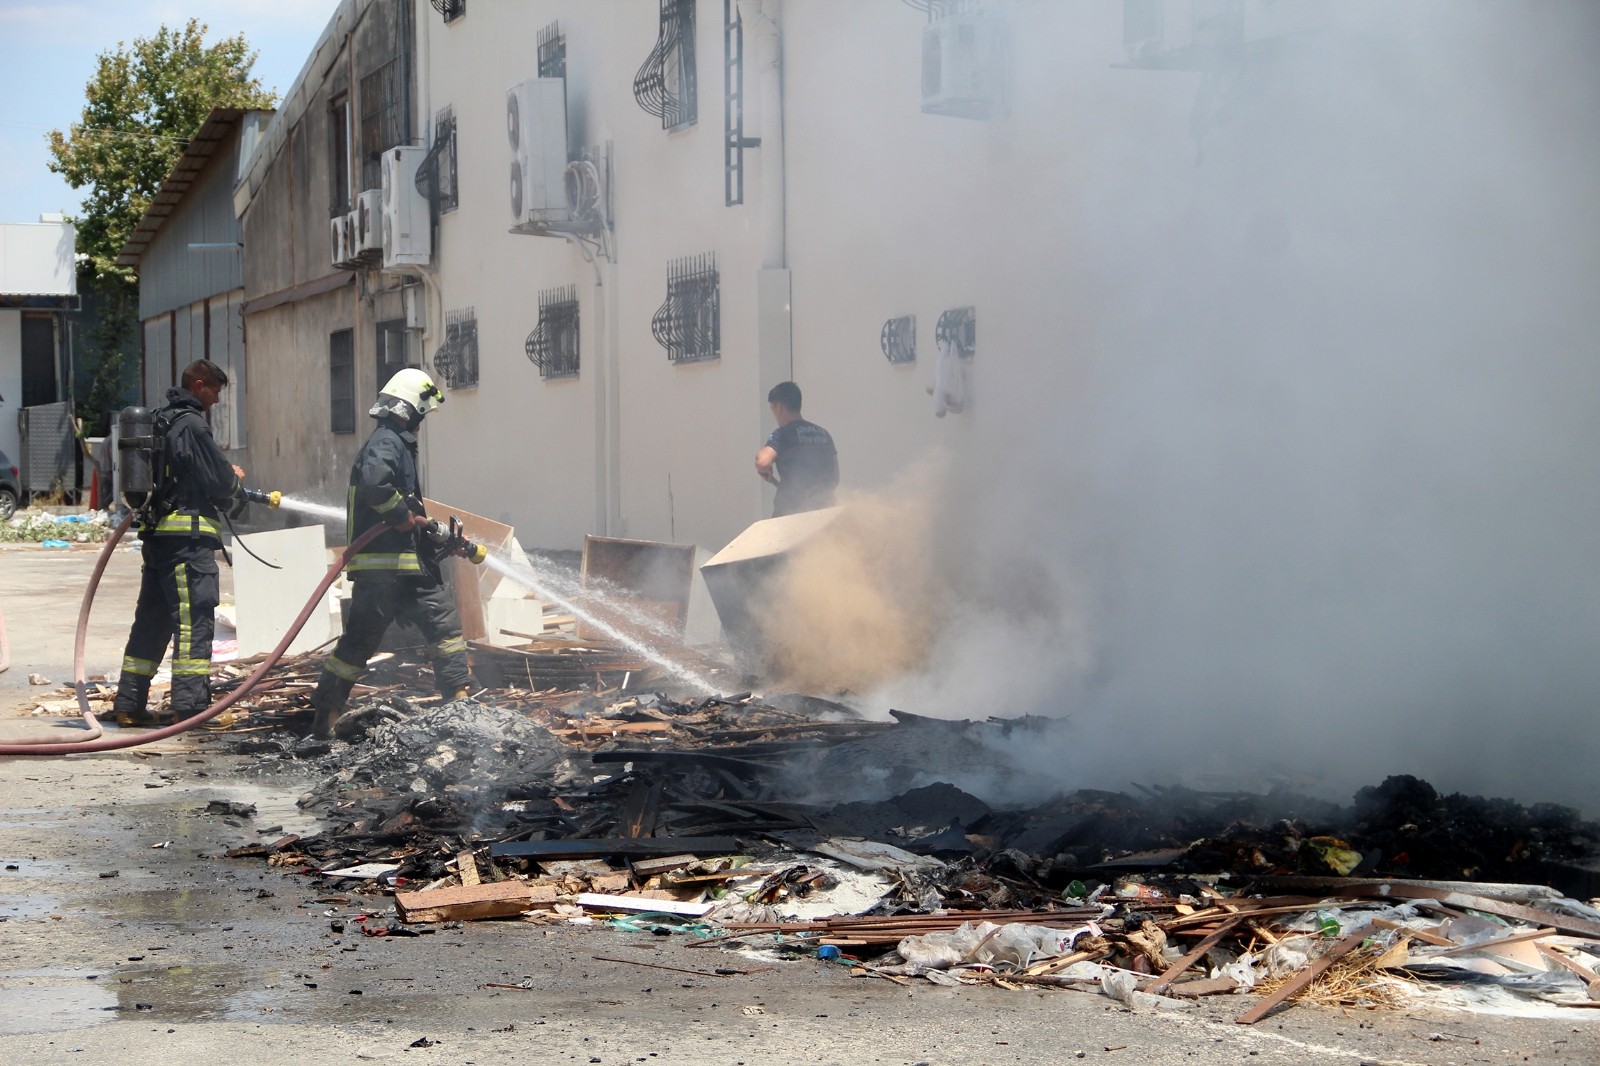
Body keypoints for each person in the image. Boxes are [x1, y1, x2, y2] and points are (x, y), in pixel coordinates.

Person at [309, 368, 470, 739]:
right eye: (421, 414)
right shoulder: (388, 442)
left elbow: (405, 505)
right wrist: (400, 517)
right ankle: (459, 707)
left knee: (360, 641)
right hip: (396, 567)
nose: (421, 423)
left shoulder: (392, 441)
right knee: (443, 629)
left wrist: (428, 533)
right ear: (409, 409)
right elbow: (376, 485)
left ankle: (326, 715)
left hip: (391, 567)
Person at [113, 359, 246, 727]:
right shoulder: (191, 425)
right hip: (188, 546)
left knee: (151, 624)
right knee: (194, 624)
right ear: (199, 385)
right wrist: (234, 479)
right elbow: (219, 482)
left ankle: (128, 704)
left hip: (158, 542)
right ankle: (191, 709)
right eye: (215, 392)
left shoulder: (159, 420)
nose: (216, 400)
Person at [754, 381, 838, 517]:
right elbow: (835, 476)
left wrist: (763, 466)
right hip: (824, 510)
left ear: (779, 407)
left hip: (790, 513)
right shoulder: (824, 434)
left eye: (772, 408)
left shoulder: (783, 434)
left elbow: (762, 463)